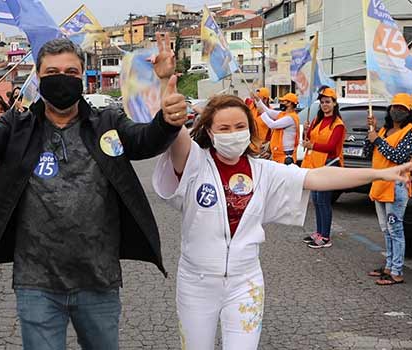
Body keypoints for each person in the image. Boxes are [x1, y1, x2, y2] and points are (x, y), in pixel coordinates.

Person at [0, 35, 187, 350]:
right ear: (37, 77)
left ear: (83, 77)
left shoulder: (107, 121)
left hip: (99, 278)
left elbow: (145, 139)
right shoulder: (19, 125)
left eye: (71, 72)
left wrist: (167, 120)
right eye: (51, 73)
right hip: (36, 281)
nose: (61, 79)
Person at [152, 94, 412, 350]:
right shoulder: (195, 163)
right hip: (197, 283)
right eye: (224, 128)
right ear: (209, 131)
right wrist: (167, 92)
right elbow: (177, 133)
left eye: (240, 127)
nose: (233, 133)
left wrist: (380, 173)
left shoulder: (264, 171)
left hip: (245, 283)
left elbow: (318, 176)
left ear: (250, 129)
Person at [364, 93, 412, 285]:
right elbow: (371, 152)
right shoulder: (384, 130)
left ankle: (397, 271)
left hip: (397, 186)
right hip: (380, 183)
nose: (396, 111)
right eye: (394, 107)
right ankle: (389, 266)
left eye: (402, 108)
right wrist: (373, 132)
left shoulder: (410, 132)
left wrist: (376, 140)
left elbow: (398, 156)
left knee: (395, 228)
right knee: (386, 229)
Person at [301, 87, 346, 248]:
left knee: (324, 201)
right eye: (322, 102)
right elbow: (306, 140)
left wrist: (311, 144)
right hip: (315, 165)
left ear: (334, 103)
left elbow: (331, 146)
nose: (325, 105)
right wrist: (305, 132)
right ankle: (319, 232)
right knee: (316, 200)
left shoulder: (338, 124)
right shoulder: (316, 120)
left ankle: (325, 237)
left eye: (328, 102)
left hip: (328, 166)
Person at [255, 92, 300, 165]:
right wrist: (258, 100)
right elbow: (268, 111)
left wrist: (262, 114)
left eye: (283, 101)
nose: (281, 103)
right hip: (279, 155)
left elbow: (272, 125)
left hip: (285, 156)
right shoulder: (283, 114)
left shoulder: (290, 118)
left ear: (290, 104)